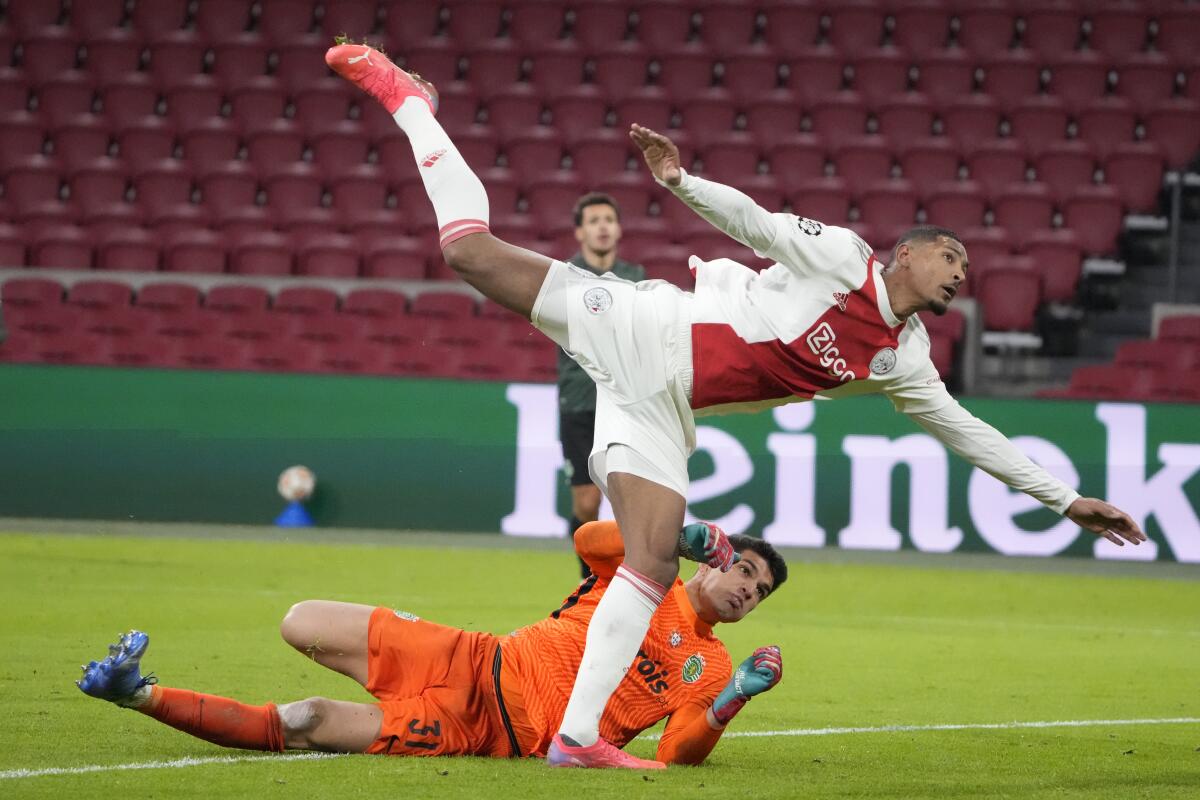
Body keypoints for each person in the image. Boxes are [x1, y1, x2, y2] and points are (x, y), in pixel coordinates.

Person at [321, 41, 1147, 769]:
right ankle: (414, 105)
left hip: (662, 407)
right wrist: (682, 182)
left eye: (965, 268)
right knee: (469, 252)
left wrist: (1065, 499)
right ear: (908, 252)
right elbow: (760, 226)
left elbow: (971, 434)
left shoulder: (906, 362)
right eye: (949, 254)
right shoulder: (845, 260)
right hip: (648, 330)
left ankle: (576, 740)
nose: (960, 271)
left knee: (648, 565)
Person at [76, 521, 786, 768]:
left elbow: (674, 751)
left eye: (757, 593)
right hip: (474, 656)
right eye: (745, 570)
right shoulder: (646, 572)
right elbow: (587, 543)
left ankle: (135, 692)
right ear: (715, 561)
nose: (745, 589)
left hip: (478, 730)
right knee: (299, 621)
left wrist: (728, 702)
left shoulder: (713, 665)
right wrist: (667, 537)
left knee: (306, 721)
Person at [559, 192, 646, 577]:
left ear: (619, 229)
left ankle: (623, 581)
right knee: (586, 501)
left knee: (628, 497)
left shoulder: (637, 279)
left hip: (625, 403)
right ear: (580, 232)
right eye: (593, 220)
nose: (602, 227)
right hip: (579, 401)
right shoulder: (562, 278)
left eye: (608, 219)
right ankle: (588, 578)